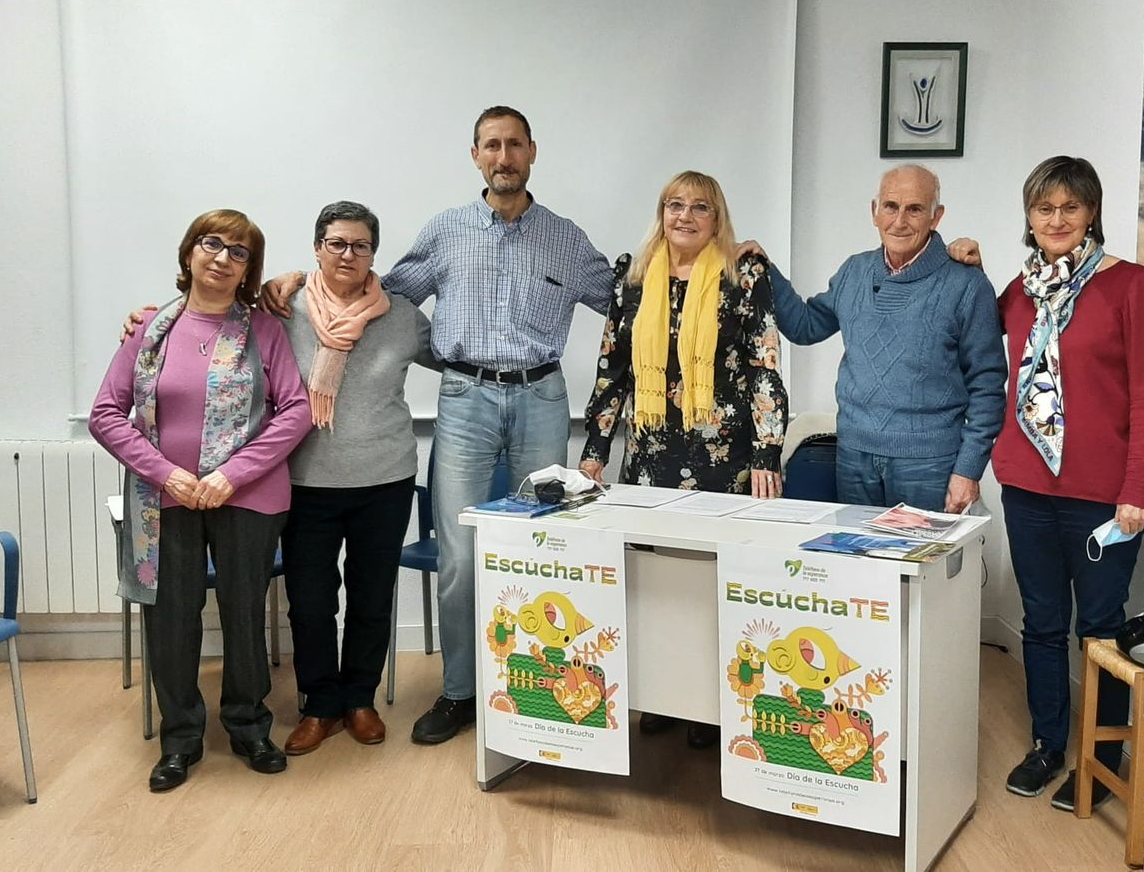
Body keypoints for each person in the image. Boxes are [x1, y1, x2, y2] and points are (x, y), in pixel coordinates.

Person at [261, 106, 616, 747]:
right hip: (465, 399)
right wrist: (293, 279)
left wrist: (721, 267)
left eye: (514, 145)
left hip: (541, 397)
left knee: (543, 552)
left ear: (532, 152)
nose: (503, 157)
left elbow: (629, 300)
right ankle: (460, 693)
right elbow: (374, 294)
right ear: (475, 155)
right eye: (491, 146)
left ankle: (537, 693)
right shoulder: (447, 232)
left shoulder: (564, 237)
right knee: (458, 555)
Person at [90, 209, 311, 792]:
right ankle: (180, 738)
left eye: (238, 252)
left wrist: (230, 475)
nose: (221, 257)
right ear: (190, 252)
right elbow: (106, 415)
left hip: (248, 495)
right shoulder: (148, 329)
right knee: (172, 620)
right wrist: (166, 474)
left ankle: (247, 726)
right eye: (212, 243)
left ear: (248, 271)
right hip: (164, 500)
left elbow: (296, 411)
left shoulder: (264, 330)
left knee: (243, 614)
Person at [578, 170, 788, 748]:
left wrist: (769, 451)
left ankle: (713, 708)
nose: (686, 217)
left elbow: (763, 364)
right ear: (661, 211)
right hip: (650, 455)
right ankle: (664, 695)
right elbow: (611, 370)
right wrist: (594, 452)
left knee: (716, 581)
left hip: (726, 457)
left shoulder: (743, 275)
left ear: (717, 217)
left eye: (700, 207)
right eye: (675, 205)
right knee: (654, 582)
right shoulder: (634, 277)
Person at [992, 156, 1144, 811]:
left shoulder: (1131, 286)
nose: (1057, 219)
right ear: (1030, 218)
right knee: (1041, 625)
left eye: (1070, 208)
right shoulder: (1015, 292)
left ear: (1091, 213)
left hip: (1105, 498)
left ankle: (1099, 761)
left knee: (1099, 629)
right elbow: (985, 370)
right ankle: (1047, 747)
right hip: (1027, 488)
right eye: (1045, 209)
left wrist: (1141, 492)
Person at [275, 201, 441, 756]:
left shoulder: (401, 315)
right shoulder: (284, 308)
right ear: (317, 248)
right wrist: (146, 318)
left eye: (361, 246)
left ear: (374, 253)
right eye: (337, 243)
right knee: (312, 601)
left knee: (373, 596)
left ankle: (360, 699)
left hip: (385, 479)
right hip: (305, 482)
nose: (349, 254)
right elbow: (216, 319)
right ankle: (320, 705)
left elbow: (460, 355)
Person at [756, 164, 1006, 513]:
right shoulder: (854, 272)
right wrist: (763, 268)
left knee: (922, 567)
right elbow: (805, 326)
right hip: (853, 457)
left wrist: (968, 469)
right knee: (861, 566)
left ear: (937, 217)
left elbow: (988, 385)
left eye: (915, 209)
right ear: (874, 212)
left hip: (930, 465)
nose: (899, 221)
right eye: (891, 206)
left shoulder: (966, 285)